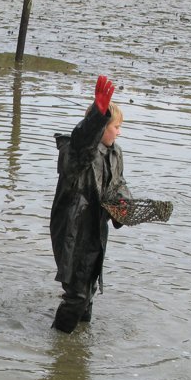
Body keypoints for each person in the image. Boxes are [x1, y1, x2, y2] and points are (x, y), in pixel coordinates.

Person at [50, 74, 132, 333]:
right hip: (73, 227)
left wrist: (124, 204)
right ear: (102, 127)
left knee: (89, 289)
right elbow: (82, 143)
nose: (119, 132)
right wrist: (96, 116)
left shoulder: (114, 153)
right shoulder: (75, 152)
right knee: (77, 292)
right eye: (115, 126)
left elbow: (118, 184)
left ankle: (78, 338)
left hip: (96, 228)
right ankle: (61, 345)